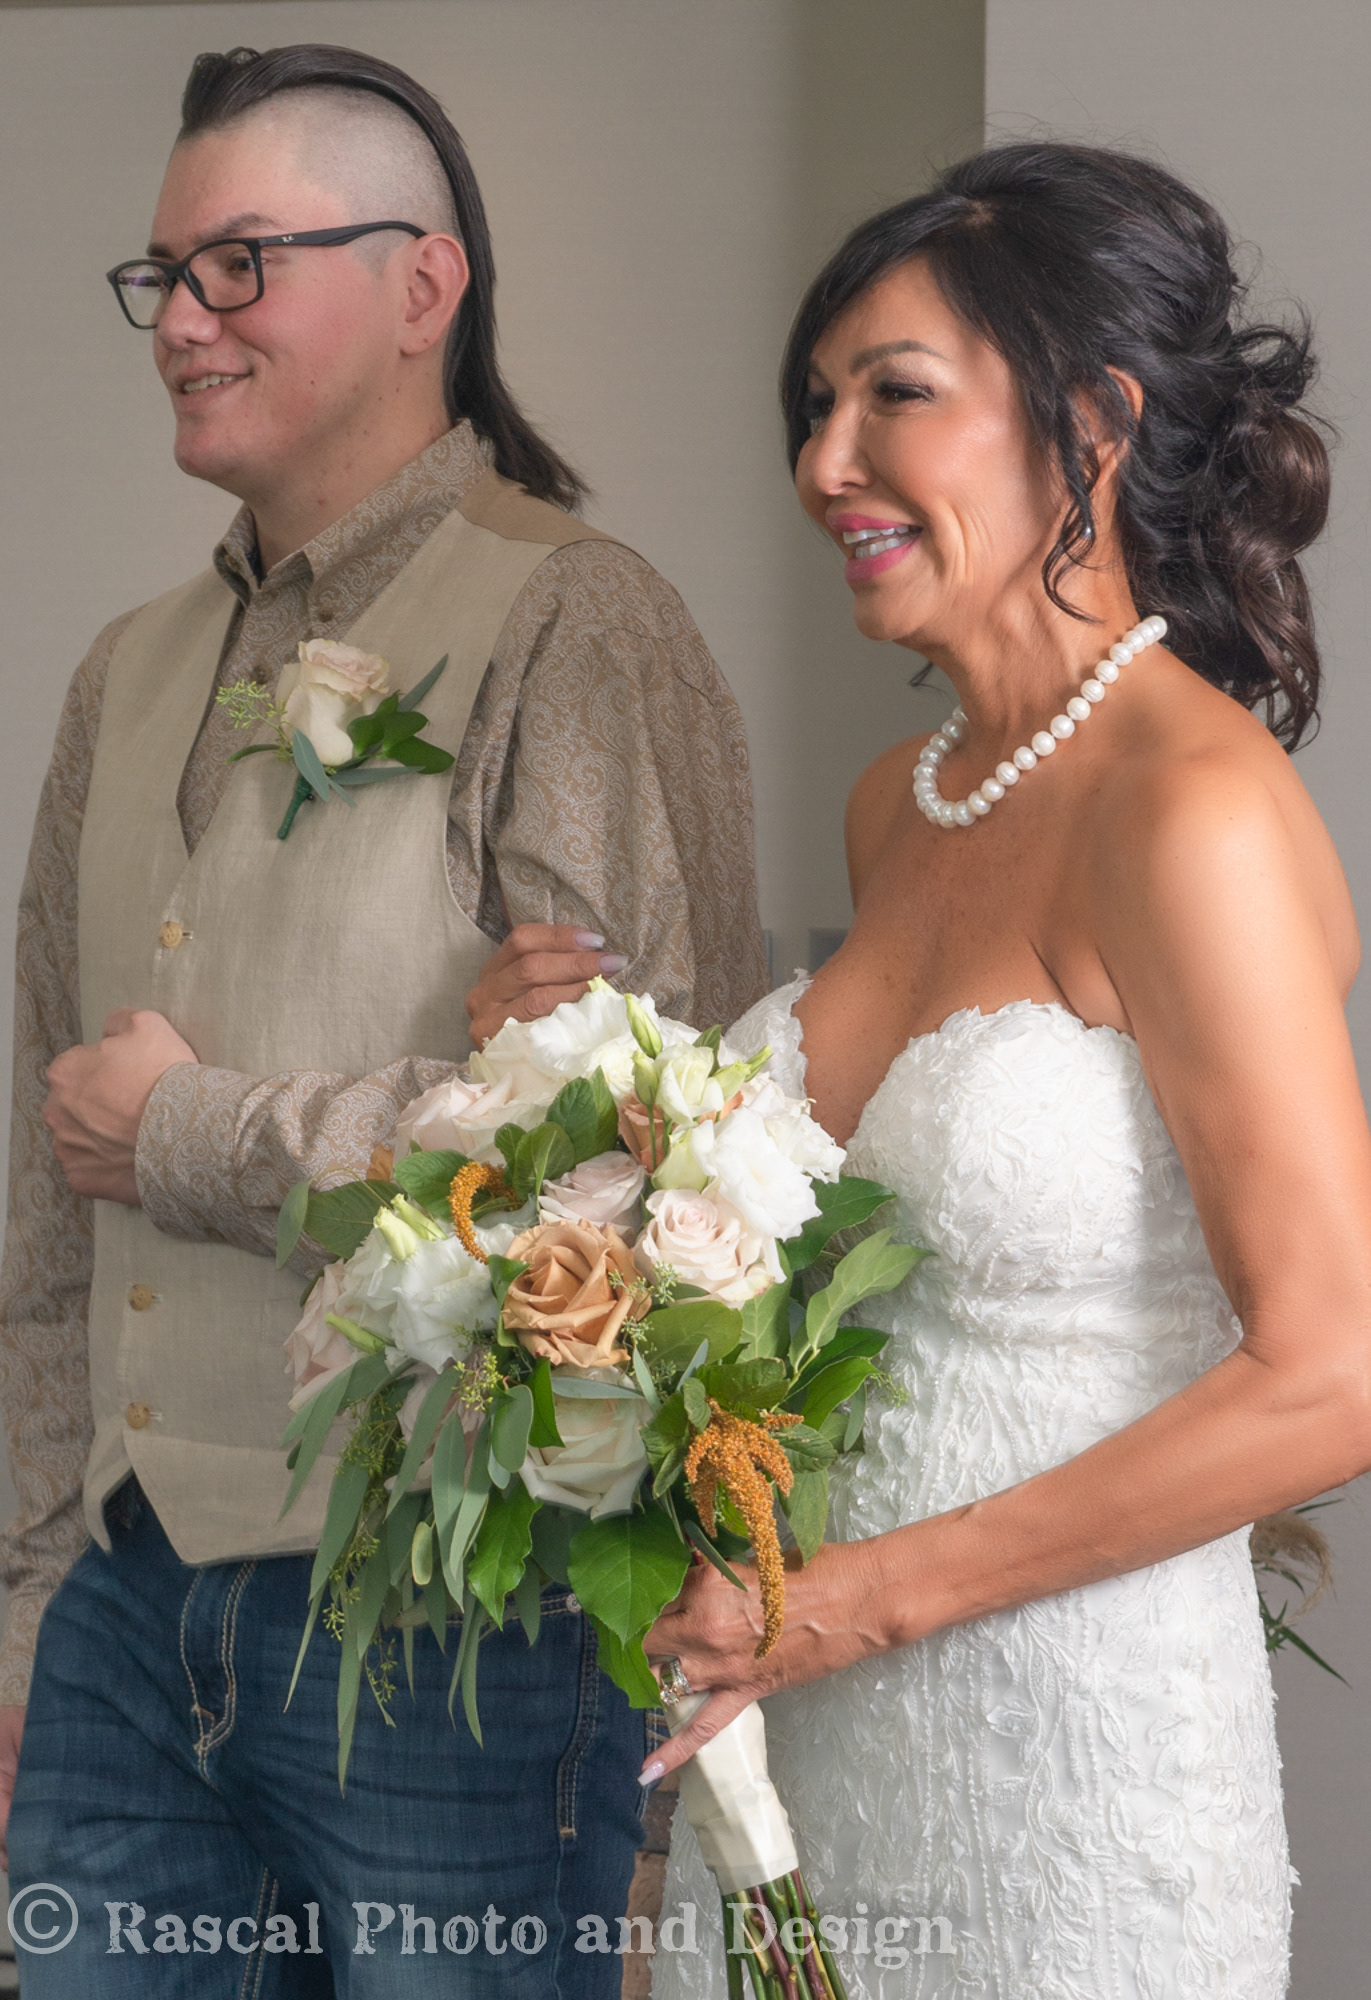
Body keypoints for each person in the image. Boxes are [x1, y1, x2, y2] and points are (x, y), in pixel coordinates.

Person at [467, 143, 1371, 1997]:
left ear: (1096, 424)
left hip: (1069, 1757)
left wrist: (845, 1607)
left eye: (896, 395)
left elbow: (1338, 1374)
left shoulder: (1192, 809)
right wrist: (579, 1114)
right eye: (817, 406)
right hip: (815, 1744)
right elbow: (858, 1258)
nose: (825, 467)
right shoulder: (911, 800)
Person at [0, 40, 767, 1997]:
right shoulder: (120, 674)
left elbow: (643, 1165)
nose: (180, 319)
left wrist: (197, 1133)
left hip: (449, 1627)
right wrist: (28, 1591)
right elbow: (37, 1171)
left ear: (422, 286)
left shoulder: (576, 622)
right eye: (162, 276)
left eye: (238, 265)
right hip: (120, 1593)